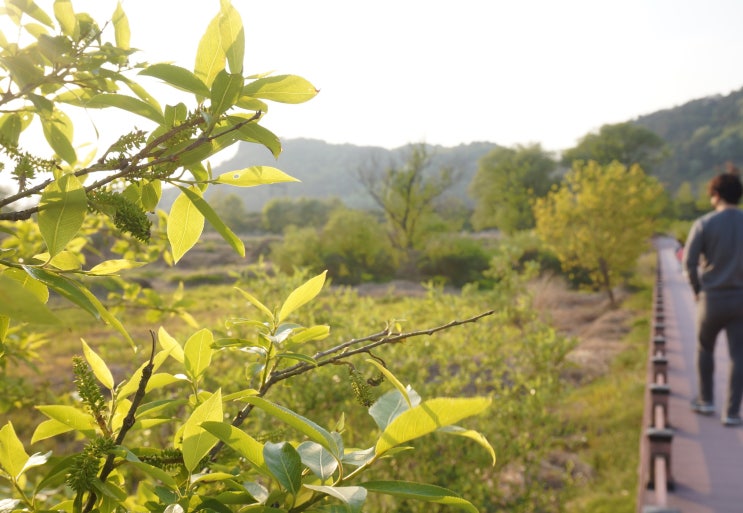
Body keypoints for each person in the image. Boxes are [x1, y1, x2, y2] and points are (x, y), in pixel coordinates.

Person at [682, 166, 743, 426]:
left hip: (712, 298)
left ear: (716, 194)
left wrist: (698, 290)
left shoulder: (704, 224)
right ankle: (731, 413)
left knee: (705, 348)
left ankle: (706, 401)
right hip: (741, 299)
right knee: (738, 356)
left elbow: (689, 262)